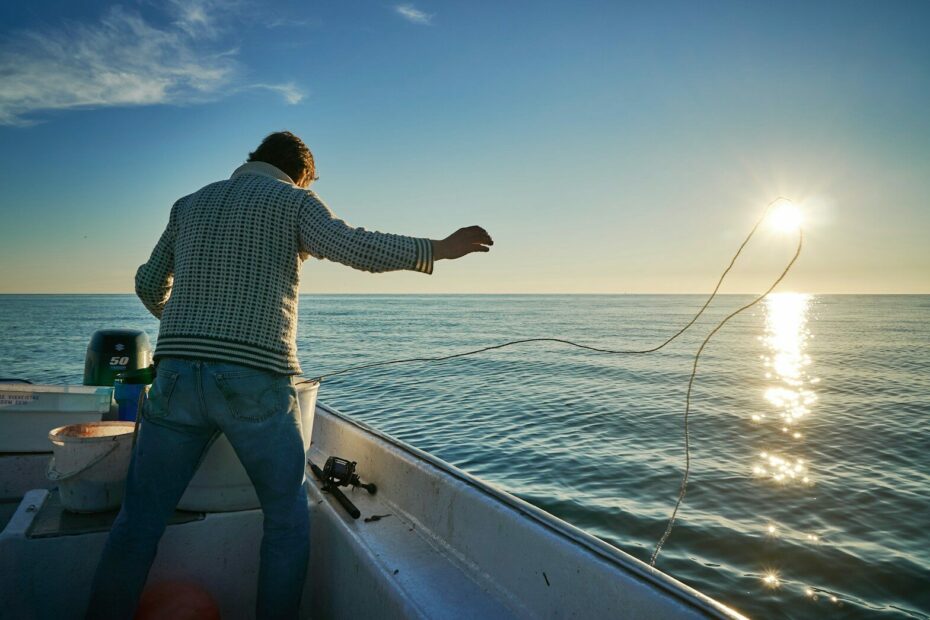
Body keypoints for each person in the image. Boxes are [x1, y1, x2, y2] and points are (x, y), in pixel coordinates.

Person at [85, 131, 493, 619]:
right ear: (301, 174)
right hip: (254, 382)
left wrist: (184, 326)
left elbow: (149, 282)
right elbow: (353, 247)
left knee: (137, 523)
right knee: (285, 521)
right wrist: (438, 249)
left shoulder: (188, 204)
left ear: (253, 159)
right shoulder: (294, 201)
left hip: (173, 379)